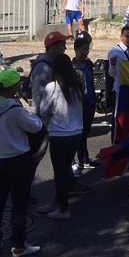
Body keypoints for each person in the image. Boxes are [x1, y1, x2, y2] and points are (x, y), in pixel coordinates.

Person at [0, 68, 43, 257]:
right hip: (18, 159)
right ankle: (19, 245)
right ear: (13, 87)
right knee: (19, 204)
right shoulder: (15, 109)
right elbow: (35, 127)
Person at [36, 53, 87, 220]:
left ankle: (63, 208)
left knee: (60, 172)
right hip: (76, 133)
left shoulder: (53, 87)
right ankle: (57, 201)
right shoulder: (77, 85)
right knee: (64, 169)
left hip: (59, 134)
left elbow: (43, 110)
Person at [72, 33, 99, 173]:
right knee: (80, 133)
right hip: (80, 104)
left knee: (86, 132)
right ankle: (80, 159)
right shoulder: (73, 67)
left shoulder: (88, 63)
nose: (86, 52)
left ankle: (85, 158)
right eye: (83, 49)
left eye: (87, 49)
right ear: (76, 50)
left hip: (90, 102)